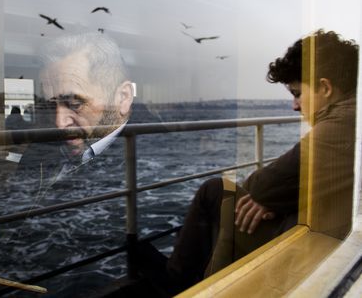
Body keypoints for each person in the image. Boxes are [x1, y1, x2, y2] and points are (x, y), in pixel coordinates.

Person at [137, 29, 358, 295]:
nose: (295, 106)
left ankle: (175, 282)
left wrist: (268, 198)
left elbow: (263, 184)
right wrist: (273, 198)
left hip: (315, 251)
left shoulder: (344, 122)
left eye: (298, 93)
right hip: (330, 240)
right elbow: (290, 178)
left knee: (215, 191)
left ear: (325, 87)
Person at [0, 32, 137, 292]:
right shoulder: (45, 146)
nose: (59, 122)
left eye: (74, 103)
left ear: (122, 97)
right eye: (51, 105)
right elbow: (13, 195)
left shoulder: (153, 169)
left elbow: (114, 274)